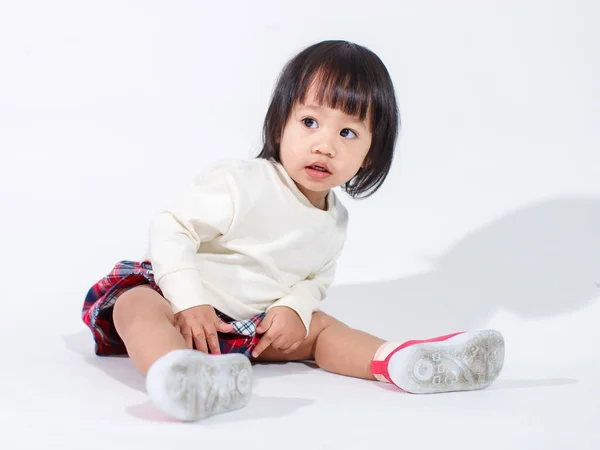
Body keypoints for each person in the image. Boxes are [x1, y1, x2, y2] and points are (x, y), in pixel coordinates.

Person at [82, 40, 505, 422]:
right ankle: (177, 375)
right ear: (280, 123)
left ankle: (395, 360)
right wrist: (188, 302)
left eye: (347, 132)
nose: (325, 145)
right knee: (135, 306)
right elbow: (172, 228)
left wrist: (294, 308)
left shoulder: (334, 220)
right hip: (179, 307)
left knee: (321, 327)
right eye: (309, 123)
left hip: (249, 330)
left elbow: (313, 279)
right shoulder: (242, 182)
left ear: (369, 156)